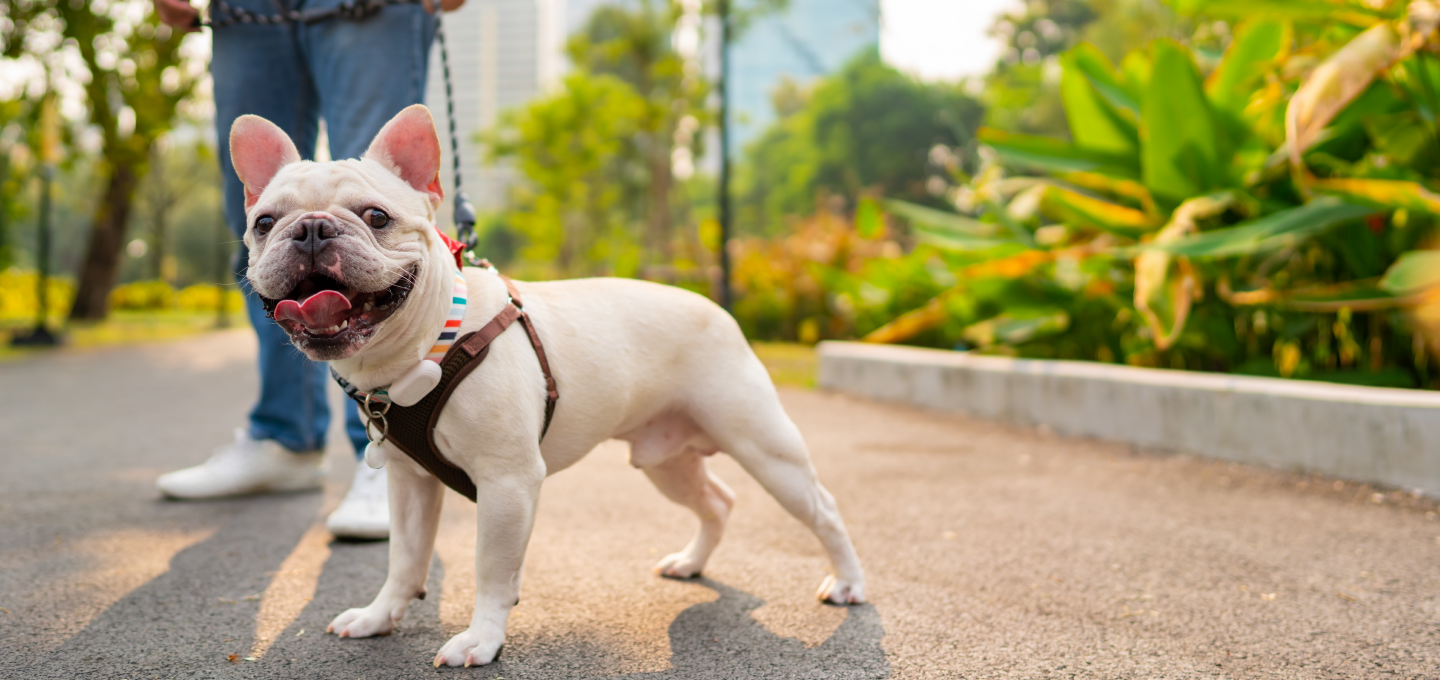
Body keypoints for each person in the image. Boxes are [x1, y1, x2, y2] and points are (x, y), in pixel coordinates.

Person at [151, 0, 463, 539]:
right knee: (261, 234)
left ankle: (391, 448)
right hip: (241, 9)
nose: (315, 235)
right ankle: (283, 438)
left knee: (380, 190)